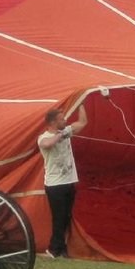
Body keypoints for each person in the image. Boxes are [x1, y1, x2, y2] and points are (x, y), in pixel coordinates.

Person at [38, 102, 87, 258]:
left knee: (66, 217)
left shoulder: (65, 130)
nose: (65, 120)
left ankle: (61, 248)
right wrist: (60, 135)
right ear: (53, 123)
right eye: (61, 119)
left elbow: (82, 122)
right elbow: (47, 144)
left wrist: (81, 103)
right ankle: (53, 249)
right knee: (58, 218)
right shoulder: (43, 137)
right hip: (55, 185)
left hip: (68, 181)